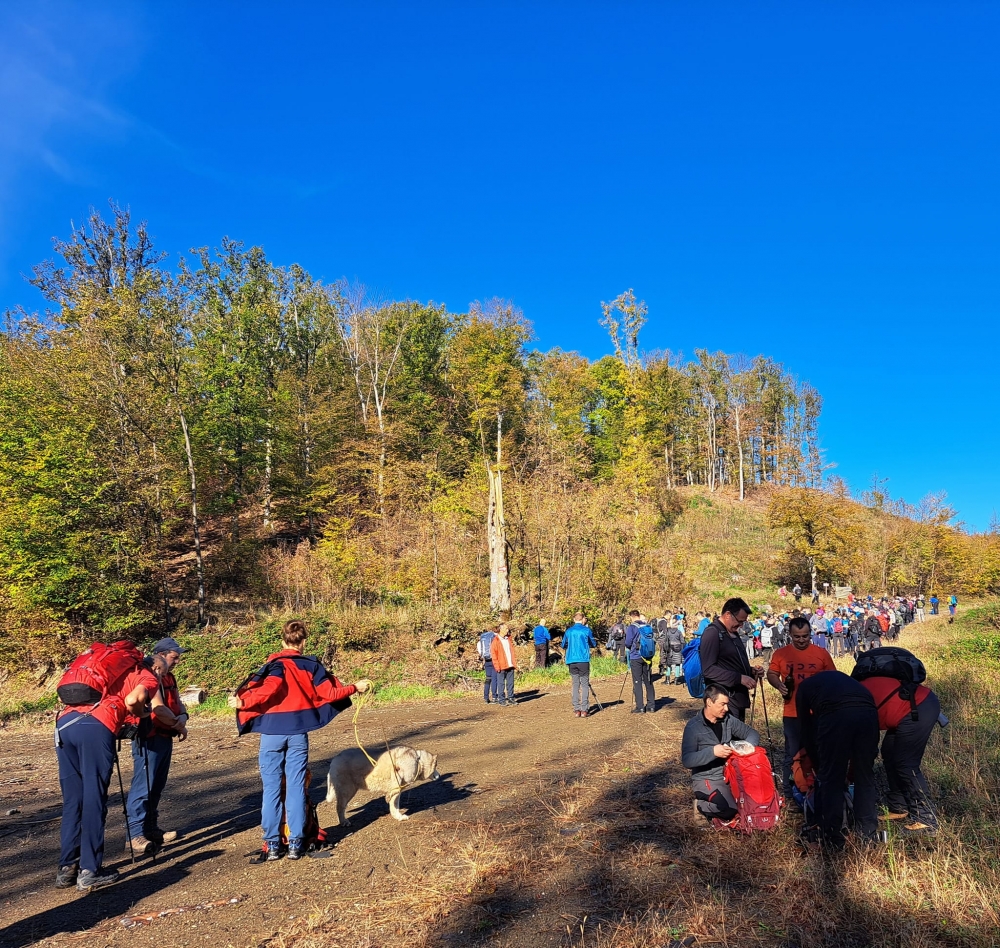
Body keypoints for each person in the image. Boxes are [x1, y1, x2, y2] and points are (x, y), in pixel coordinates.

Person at [228, 620, 371, 860]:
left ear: (283, 640)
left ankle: (272, 845)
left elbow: (270, 688)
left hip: (271, 735)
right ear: (303, 642)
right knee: (296, 788)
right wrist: (355, 687)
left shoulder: (275, 664)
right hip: (297, 733)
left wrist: (244, 702)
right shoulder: (310, 665)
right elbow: (330, 694)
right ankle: (296, 843)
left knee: (271, 790)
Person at [55, 653, 158, 891]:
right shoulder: (144, 674)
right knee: (94, 798)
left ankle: (66, 869)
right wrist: (142, 714)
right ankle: (90, 870)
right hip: (95, 725)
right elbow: (133, 699)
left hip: (65, 724)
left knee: (73, 800)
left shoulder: (101, 667)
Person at [795, 670, 880, 849]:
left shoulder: (803, 688)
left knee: (831, 778)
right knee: (865, 775)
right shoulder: (841, 680)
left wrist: (820, 766)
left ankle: (834, 837)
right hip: (869, 713)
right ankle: (868, 835)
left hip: (836, 712)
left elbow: (805, 731)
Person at [124, 638, 191, 855]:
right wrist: (179, 725)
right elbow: (158, 709)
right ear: (160, 655)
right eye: (174, 656)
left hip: (164, 735)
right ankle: (134, 835)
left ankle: (151, 829)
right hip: (149, 737)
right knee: (143, 786)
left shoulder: (168, 676)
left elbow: (178, 703)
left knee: (157, 785)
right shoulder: (150, 677)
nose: (178, 660)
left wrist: (182, 716)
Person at [766, 616, 836, 804]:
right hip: (792, 713)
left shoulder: (821, 653)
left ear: (810, 634)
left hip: (818, 713)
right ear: (790, 635)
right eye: (797, 637)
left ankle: (819, 787)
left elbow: (833, 678)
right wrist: (779, 685)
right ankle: (790, 793)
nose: (802, 640)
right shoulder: (781, 654)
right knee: (792, 753)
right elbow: (771, 673)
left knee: (819, 751)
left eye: (805, 636)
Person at [858, 675, 941, 833]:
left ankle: (926, 819)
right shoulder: (852, 693)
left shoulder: (853, 702)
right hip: (903, 710)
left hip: (919, 707)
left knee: (906, 762)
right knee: (889, 754)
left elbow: (866, 746)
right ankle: (899, 807)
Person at [681, 685, 761, 824]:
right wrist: (713, 752)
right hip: (707, 779)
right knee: (729, 809)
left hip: (732, 775)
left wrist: (744, 749)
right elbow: (687, 760)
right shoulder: (693, 727)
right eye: (722, 704)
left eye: (727, 704)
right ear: (709, 702)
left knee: (751, 805)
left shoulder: (728, 720)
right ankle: (701, 806)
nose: (726, 709)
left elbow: (752, 734)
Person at [699, 598, 761, 721]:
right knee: (728, 739)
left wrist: (750, 671)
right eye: (739, 621)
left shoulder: (732, 633)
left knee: (738, 738)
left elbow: (731, 663)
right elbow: (708, 670)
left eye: (743, 622)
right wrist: (739, 678)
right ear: (728, 615)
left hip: (738, 699)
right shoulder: (712, 633)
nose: (741, 625)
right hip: (724, 702)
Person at [562, 612, 597, 717]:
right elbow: (593, 643)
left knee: (575, 684)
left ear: (574, 619)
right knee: (585, 684)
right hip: (583, 660)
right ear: (583, 620)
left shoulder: (569, 631)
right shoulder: (586, 630)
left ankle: (576, 709)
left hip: (571, 660)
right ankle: (584, 709)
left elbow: (563, 644)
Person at [625, 610, 656, 713]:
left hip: (636, 656)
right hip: (647, 656)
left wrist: (631, 648)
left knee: (637, 681)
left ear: (632, 617)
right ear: (639, 615)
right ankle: (651, 706)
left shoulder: (632, 627)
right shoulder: (647, 626)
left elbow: (628, 642)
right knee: (648, 680)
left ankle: (640, 707)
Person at [490, 623, 518, 706]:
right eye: (506, 628)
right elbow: (493, 654)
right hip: (501, 665)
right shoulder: (496, 641)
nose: (507, 630)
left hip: (510, 664)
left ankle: (511, 698)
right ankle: (501, 699)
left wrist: (514, 663)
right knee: (501, 683)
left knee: (510, 683)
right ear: (501, 629)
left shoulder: (508, 639)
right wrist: (497, 666)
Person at [477, 627, 499, 704]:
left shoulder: (480, 642)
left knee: (488, 678)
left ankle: (486, 697)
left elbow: (480, 653)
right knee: (494, 679)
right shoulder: (494, 637)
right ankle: (494, 697)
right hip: (493, 660)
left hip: (486, 661)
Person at [661, 618, 685, 685]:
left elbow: (665, 641)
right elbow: (682, 641)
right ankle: (676, 680)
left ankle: (667, 680)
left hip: (669, 649)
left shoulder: (667, 632)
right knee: (677, 664)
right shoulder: (679, 632)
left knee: (668, 664)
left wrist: (665, 649)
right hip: (678, 649)